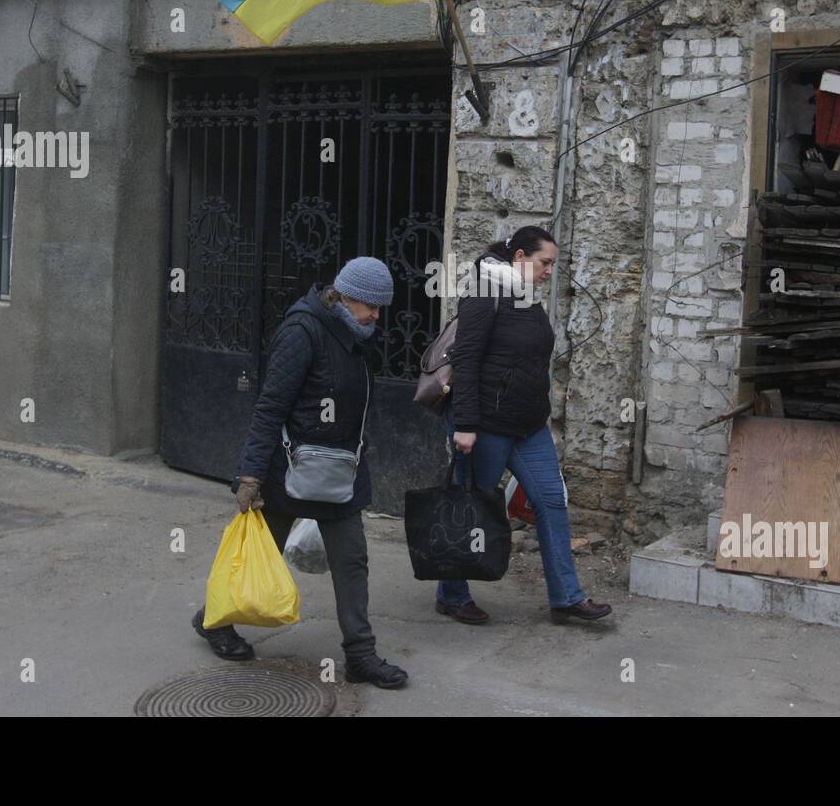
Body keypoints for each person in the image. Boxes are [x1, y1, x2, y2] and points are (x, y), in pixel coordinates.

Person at [191, 257, 408, 690]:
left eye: (381, 308)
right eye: (371, 306)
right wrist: (250, 475)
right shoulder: (302, 331)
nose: (377, 316)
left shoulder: (359, 334)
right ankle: (213, 620)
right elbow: (270, 406)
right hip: (287, 472)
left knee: (352, 562)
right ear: (345, 297)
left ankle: (361, 656)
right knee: (257, 557)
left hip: (340, 472)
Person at [436, 225, 613, 626]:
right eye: (545, 262)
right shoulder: (484, 294)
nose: (551, 270)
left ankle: (567, 597)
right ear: (519, 257)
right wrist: (464, 425)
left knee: (551, 503)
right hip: (486, 427)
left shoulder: (526, 297)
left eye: (553, 263)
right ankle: (451, 593)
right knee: (473, 510)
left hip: (529, 428)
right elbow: (466, 361)